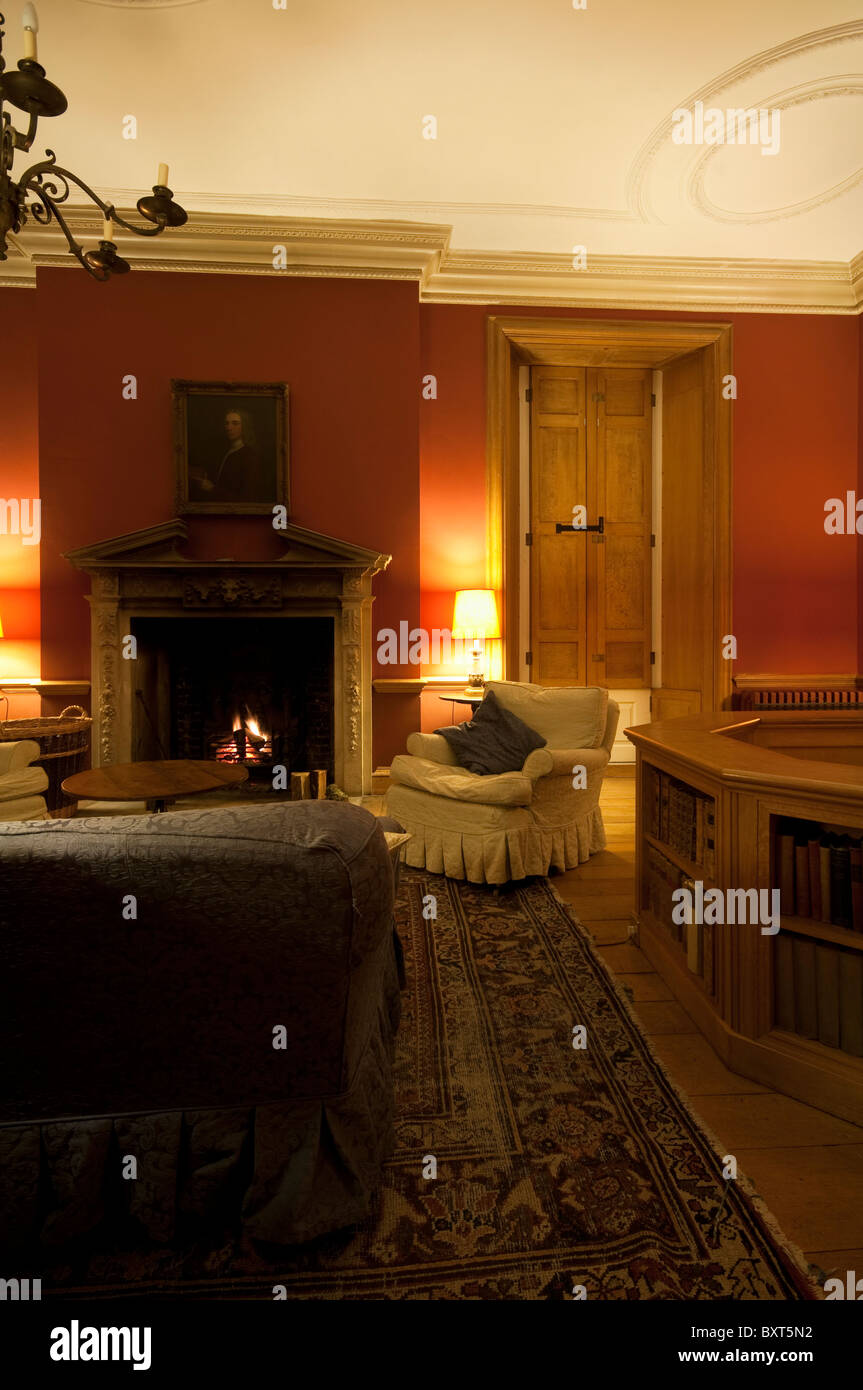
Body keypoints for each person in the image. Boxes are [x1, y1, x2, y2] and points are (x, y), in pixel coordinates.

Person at [190, 408, 269, 502]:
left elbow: (247, 497)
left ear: (245, 426)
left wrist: (212, 489)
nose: (229, 427)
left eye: (235, 423)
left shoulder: (250, 456)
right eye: (226, 423)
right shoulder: (227, 451)